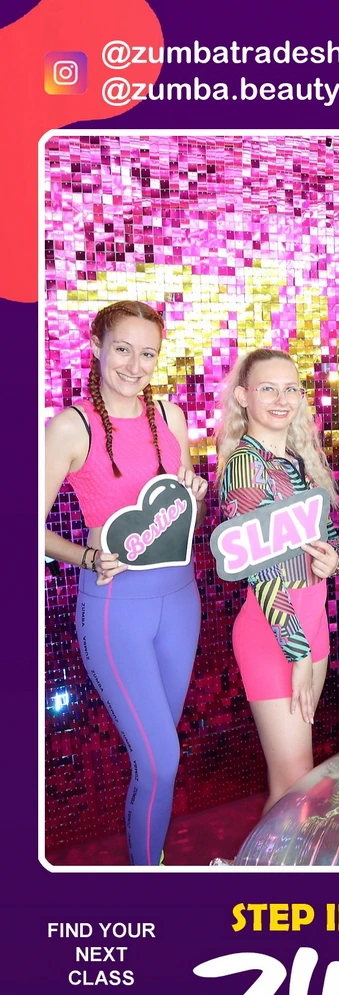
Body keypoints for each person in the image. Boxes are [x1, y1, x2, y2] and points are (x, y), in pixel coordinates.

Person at [44, 300, 208, 866]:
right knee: (162, 759)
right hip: (117, 610)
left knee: (159, 760)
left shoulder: (171, 416)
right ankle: (145, 881)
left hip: (181, 604)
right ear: (96, 347)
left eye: (148, 354)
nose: (135, 366)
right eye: (122, 349)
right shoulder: (72, 426)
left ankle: (150, 863)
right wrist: (86, 556)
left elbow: (179, 513)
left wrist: (194, 494)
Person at [216, 348, 339, 815]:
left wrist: (330, 561)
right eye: (267, 388)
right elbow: (264, 572)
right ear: (243, 397)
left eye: (291, 388)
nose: (281, 399)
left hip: (312, 623)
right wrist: (298, 653)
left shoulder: (296, 458)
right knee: (293, 785)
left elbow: (324, 537)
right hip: (277, 634)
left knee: (295, 781)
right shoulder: (245, 466)